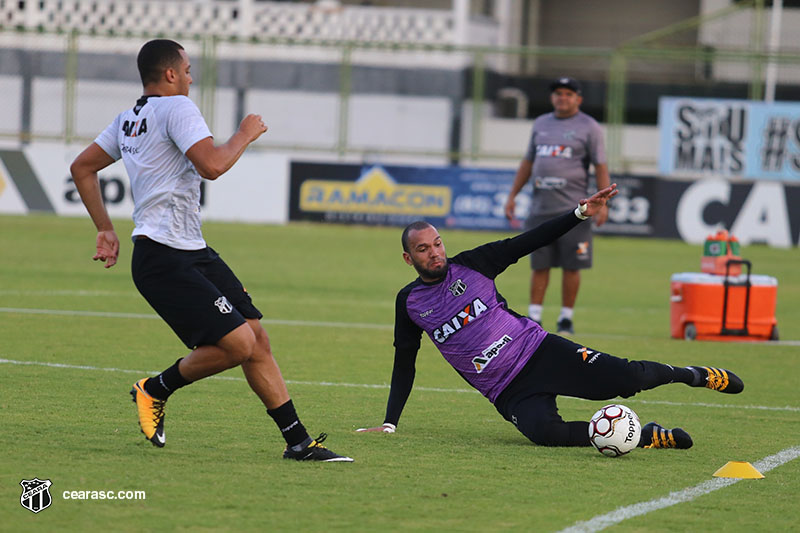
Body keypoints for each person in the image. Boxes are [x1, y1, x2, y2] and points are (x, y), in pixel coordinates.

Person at [70, 39, 352, 462]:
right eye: (186, 69)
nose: (190, 76)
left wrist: (105, 229)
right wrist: (245, 133)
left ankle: (298, 442)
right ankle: (154, 389)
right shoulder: (177, 107)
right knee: (238, 344)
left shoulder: (130, 118)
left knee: (256, 338)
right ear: (169, 74)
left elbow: (82, 167)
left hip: (190, 250)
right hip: (162, 255)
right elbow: (212, 166)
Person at [357, 184, 744, 450]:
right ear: (410, 259)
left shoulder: (474, 264)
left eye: (438, 243)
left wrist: (579, 213)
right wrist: (390, 421)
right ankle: (645, 436)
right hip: (506, 389)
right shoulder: (409, 303)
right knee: (545, 434)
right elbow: (403, 363)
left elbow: (530, 241)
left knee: (627, 379)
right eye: (424, 250)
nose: (435, 253)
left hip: (540, 350)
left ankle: (693, 375)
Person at [504, 77, 611, 334]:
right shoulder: (541, 124)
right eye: (558, 93)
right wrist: (512, 195)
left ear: (578, 99)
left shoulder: (589, 127)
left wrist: (603, 202)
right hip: (540, 209)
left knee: (572, 266)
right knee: (539, 265)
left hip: (575, 211)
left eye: (568, 93)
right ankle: (535, 317)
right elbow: (528, 162)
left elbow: (600, 165)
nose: (562, 97)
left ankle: (566, 318)